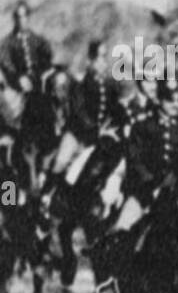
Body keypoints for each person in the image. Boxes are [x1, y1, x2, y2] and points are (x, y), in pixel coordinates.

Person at [94, 76, 178, 293]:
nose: (175, 104)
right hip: (146, 193)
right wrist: (152, 184)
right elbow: (135, 160)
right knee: (121, 228)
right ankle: (113, 280)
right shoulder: (142, 127)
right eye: (169, 100)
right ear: (160, 101)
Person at [48, 40, 126, 190]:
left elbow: (116, 109)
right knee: (62, 159)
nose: (103, 62)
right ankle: (48, 194)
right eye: (99, 58)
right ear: (90, 61)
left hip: (100, 135)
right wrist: (97, 130)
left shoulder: (110, 85)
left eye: (105, 57)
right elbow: (79, 111)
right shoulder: (81, 83)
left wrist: (120, 126)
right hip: (78, 134)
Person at [0, 0, 54, 127]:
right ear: (14, 19)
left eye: (24, 16)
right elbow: (6, 62)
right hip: (17, 84)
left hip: (38, 82)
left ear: (28, 18)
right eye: (18, 17)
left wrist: (42, 74)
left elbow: (47, 58)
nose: (21, 20)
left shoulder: (38, 40)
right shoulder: (7, 42)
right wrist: (18, 78)